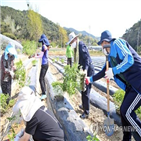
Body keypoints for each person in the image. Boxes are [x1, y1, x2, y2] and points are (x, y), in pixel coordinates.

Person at [86, 30, 141, 141]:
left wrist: (114, 70)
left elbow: (129, 59)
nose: (102, 48)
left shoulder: (118, 43)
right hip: (132, 86)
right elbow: (103, 72)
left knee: (127, 111)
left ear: (105, 42)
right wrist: (90, 79)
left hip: (139, 83)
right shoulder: (110, 58)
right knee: (123, 111)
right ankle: (126, 138)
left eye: (102, 44)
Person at [67, 32, 95, 119]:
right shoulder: (76, 49)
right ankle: (83, 105)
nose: (71, 44)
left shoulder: (81, 45)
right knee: (82, 89)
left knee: (86, 91)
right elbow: (78, 62)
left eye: (72, 42)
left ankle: (86, 112)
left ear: (75, 39)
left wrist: (86, 70)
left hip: (88, 71)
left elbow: (87, 59)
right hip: (83, 70)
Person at [36, 34, 50, 100]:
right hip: (46, 64)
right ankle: (44, 92)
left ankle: (44, 93)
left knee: (40, 79)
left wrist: (34, 56)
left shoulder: (43, 47)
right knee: (42, 78)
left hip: (44, 64)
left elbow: (40, 55)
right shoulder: (46, 47)